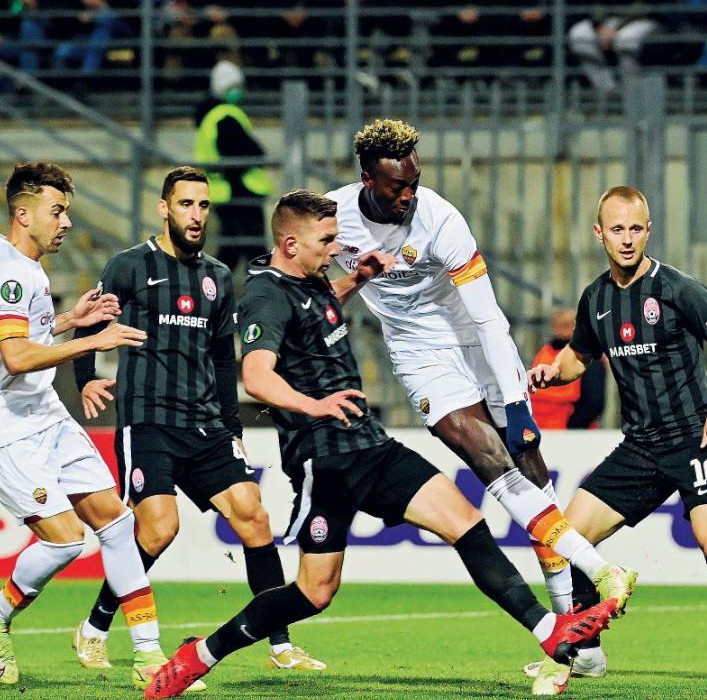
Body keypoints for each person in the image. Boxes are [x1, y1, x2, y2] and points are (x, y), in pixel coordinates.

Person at [141, 190, 618, 699]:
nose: (335, 248)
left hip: (371, 446)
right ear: (289, 242)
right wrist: (315, 405)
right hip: (325, 460)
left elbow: (315, 312)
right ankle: (199, 656)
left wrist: (359, 278)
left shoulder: (311, 280)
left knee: (468, 525)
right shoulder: (263, 295)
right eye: (326, 241)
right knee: (314, 592)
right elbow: (256, 375)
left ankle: (550, 633)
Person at [326, 118, 636, 694]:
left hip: (474, 339)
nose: (408, 195)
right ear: (368, 179)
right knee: (482, 453)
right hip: (419, 356)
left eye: (414, 182)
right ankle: (596, 575)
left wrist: (518, 406)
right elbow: (297, 274)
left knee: (527, 463)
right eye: (396, 187)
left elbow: (490, 318)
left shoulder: (441, 219)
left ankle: (575, 639)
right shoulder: (333, 216)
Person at [528, 185, 707, 687]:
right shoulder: (595, 299)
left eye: (636, 228)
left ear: (649, 229)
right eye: (617, 229)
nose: (628, 239)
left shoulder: (680, 289)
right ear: (599, 234)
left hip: (692, 438)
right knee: (569, 537)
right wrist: (553, 370)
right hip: (639, 446)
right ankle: (587, 651)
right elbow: (578, 356)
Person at [71, 166, 325, 681]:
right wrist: (85, 379)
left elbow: (221, 359)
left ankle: (280, 642)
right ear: (164, 208)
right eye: (186, 204)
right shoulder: (129, 266)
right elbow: (90, 321)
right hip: (147, 419)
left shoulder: (218, 277)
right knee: (160, 528)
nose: (196, 215)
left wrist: (232, 428)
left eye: (203, 206)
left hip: (205, 424)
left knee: (254, 517)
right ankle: (95, 627)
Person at [0, 161, 170, 688]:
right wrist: (94, 341)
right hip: (11, 428)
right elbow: (16, 359)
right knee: (66, 541)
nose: (67, 221)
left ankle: (149, 652)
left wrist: (70, 321)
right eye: (58, 211)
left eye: (68, 211)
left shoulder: (29, 269)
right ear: (23, 214)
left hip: (48, 416)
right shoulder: (9, 270)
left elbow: (30, 337)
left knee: (118, 525)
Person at [194, 59, 273, 273]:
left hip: (225, 192)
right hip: (239, 192)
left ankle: (209, 292)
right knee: (251, 251)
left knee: (234, 251)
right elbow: (249, 150)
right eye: (233, 87)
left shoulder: (210, 117)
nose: (238, 91)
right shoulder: (225, 116)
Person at [530, 308, 606, 430]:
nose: (560, 331)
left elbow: (593, 403)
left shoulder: (589, 357)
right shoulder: (543, 354)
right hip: (539, 428)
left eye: (566, 326)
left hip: (572, 433)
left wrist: (570, 429)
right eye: (556, 325)